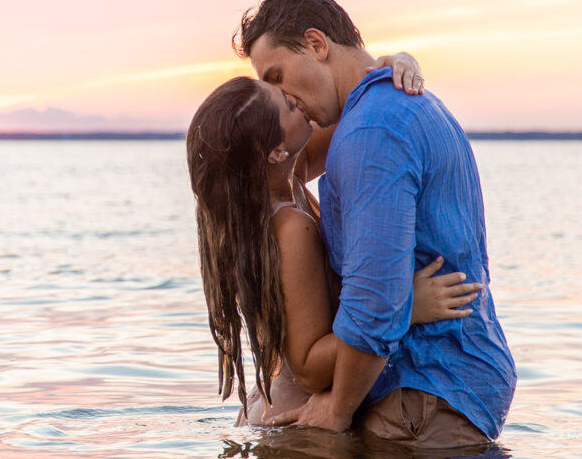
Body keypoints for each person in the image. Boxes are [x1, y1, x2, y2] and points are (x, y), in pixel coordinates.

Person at [235, 0, 516, 448]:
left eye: (278, 75)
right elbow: (276, 159)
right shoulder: (386, 110)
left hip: (423, 396)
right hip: (437, 391)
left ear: (316, 43)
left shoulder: (372, 131)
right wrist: (388, 61)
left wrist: (338, 407)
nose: (280, 96)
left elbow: (374, 303)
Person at [185, 62, 482, 429]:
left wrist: (386, 66)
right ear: (275, 152)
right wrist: (405, 307)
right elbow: (308, 368)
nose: (297, 99)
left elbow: (356, 111)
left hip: (284, 414)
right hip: (298, 423)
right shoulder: (290, 227)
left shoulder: (284, 180)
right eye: (289, 105)